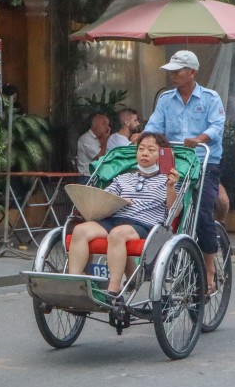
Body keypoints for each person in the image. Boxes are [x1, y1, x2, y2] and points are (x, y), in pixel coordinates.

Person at [140, 50, 225, 295]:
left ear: (192, 73)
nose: (173, 75)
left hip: (204, 163)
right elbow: (155, 126)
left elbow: (217, 126)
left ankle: (209, 268)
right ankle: (169, 259)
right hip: (174, 162)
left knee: (202, 214)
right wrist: (144, 137)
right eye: (171, 71)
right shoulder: (166, 99)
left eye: (178, 71)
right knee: (165, 211)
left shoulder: (210, 98)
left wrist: (200, 138)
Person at [67, 132, 180, 293]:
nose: (145, 153)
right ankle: (74, 284)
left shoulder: (168, 180)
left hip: (144, 224)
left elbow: (174, 212)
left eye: (151, 150)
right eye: (141, 149)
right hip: (114, 218)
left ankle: (114, 289)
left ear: (162, 155)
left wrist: (170, 187)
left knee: (117, 234)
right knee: (80, 230)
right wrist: (116, 200)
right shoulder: (123, 178)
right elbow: (103, 198)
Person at [76, 112, 113, 176]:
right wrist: (105, 141)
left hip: (98, 176)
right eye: (104, 124)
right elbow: (101, 157)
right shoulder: (86, 139)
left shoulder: (100, 138)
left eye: (108, 124)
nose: (107, 127)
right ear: (95, 125)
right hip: (88, 177)